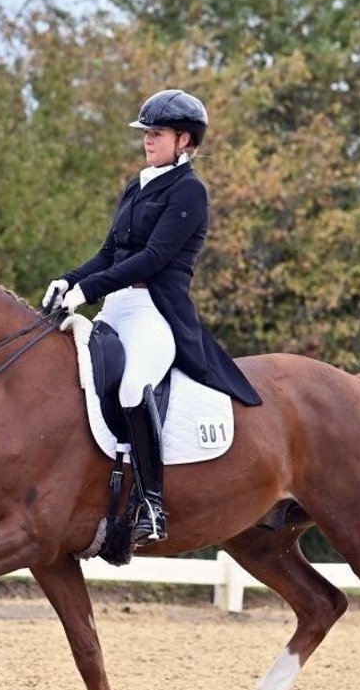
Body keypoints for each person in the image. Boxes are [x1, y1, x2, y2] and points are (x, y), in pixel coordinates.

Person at [42, 89, 262, 547]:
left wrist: (88, 290)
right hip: (115, 309)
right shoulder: (138, 184)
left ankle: (152, 504)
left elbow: (154, 258)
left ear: (184, 140)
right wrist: (68, 280)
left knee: (130, 386)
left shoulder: (189, 191)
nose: (147, 140)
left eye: (156, 133)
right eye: (146, 133)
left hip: (154, 312)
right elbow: (109, 253)